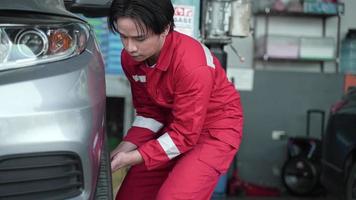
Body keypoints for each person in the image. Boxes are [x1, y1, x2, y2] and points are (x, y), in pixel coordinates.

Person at [108, 0, 243, 199]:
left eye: (139, 38)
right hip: (174, 127)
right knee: (131, 195)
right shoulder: (130, 59)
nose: (130, 47)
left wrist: (130, 158)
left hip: (213, 131)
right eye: (123, 37)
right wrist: (121, 150)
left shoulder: (192, 65)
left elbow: (186, 134)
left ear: (165, 28)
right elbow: (149, 112)